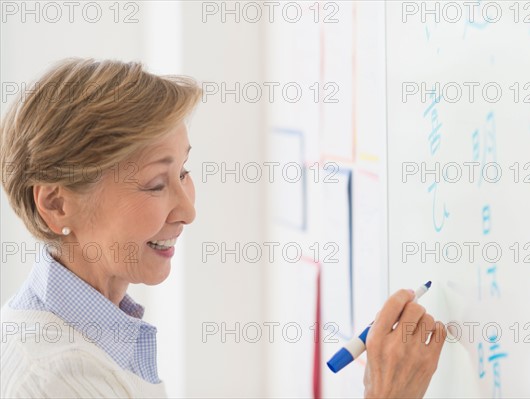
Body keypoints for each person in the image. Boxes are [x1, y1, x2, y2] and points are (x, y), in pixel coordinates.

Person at [0, 58, 446, 398]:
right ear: (57, 205)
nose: (188, 211)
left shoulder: (87, 335)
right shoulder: (58, 377)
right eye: (157, 184)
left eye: (185, 172)